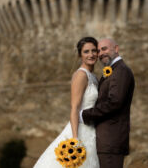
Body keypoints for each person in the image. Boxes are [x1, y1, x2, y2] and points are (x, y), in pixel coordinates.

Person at [34, 37, 100, 168]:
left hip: (92, 129)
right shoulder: (81, 75)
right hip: (81, 129)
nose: (91, 54)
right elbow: (74, 108)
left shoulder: (94, 77)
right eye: (86, 52)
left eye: (94, 51)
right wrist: (75, 139)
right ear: (80, 55)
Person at [81, 38, 135, 168]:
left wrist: (85, 114)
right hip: (105, 141)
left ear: (116, 49)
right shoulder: (114, 70)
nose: (100, 54)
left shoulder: (121, 71)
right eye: (98, 51)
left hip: (111, 141)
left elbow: (114, 103)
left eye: (104, 49)